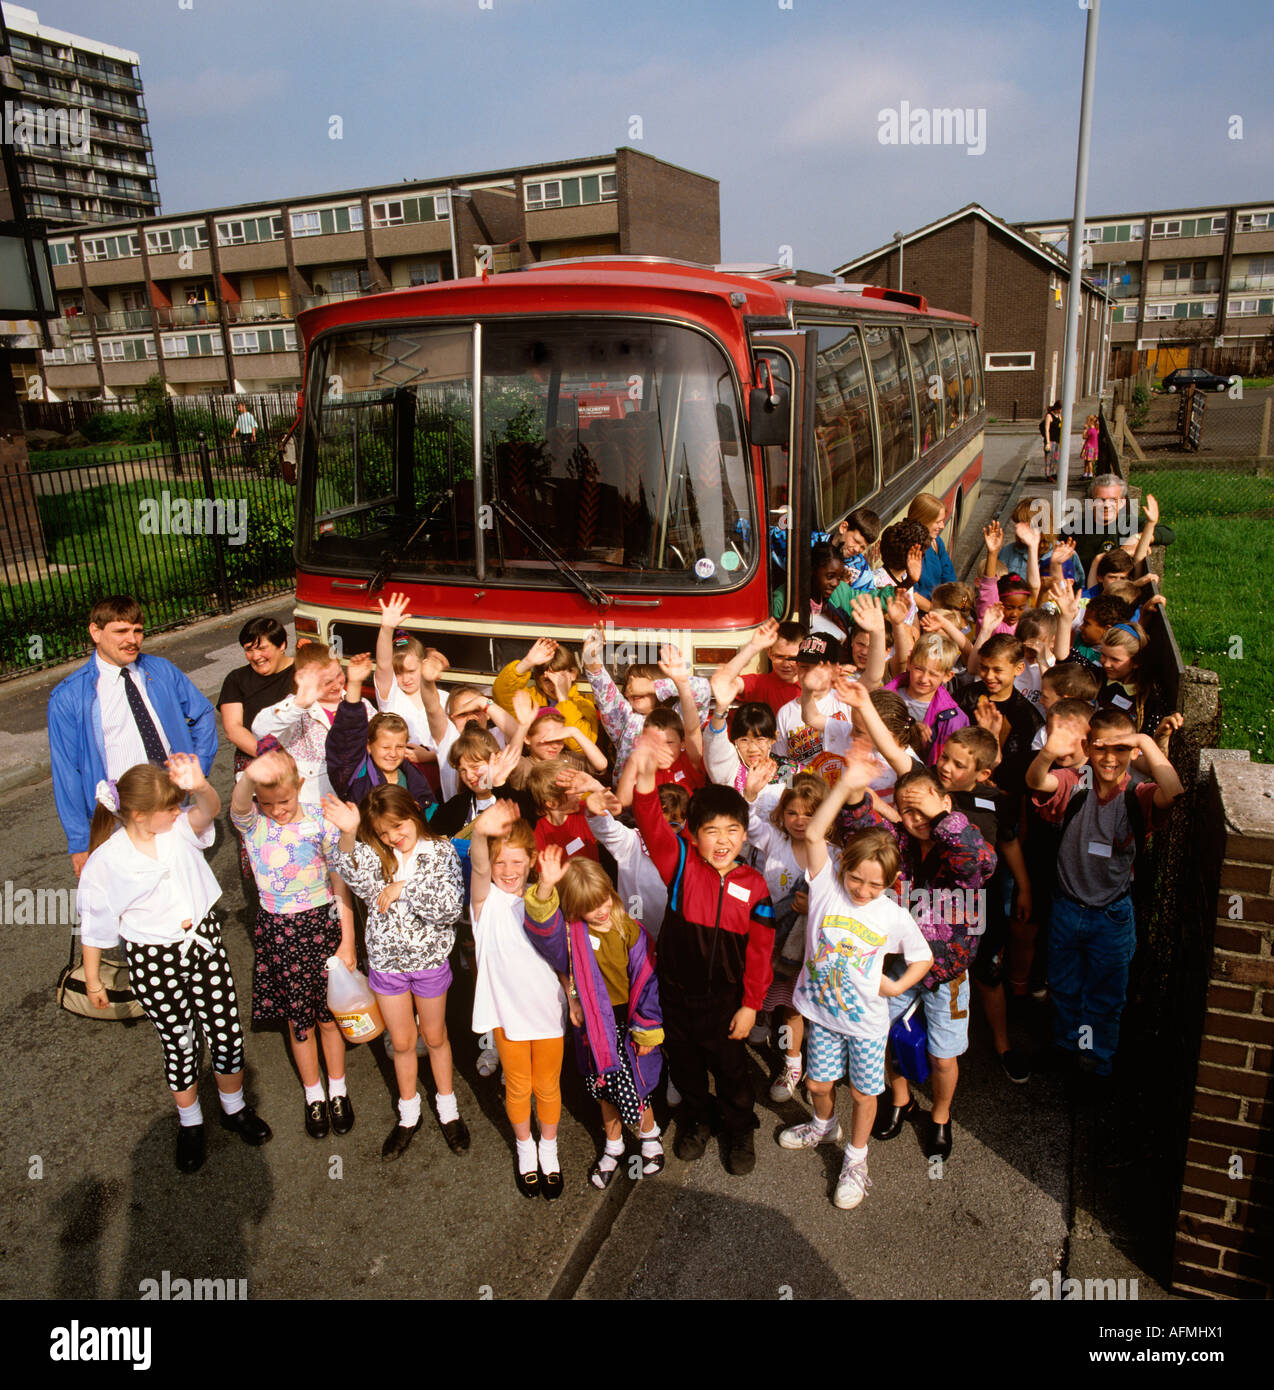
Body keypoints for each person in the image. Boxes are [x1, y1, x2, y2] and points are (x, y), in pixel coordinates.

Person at [77, 757, 271, 1173]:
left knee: (225, 1031)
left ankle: (233, 1109)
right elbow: (94, 925)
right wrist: (93, 978)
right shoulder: (106, 861)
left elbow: (211, 809)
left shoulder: (179, 829)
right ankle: (190, 1123)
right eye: (170, 807)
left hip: (203, 946)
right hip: (152, 961)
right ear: (139, 815)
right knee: (179, 1042)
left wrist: (200, 785)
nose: (178, 811)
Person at [778, 747, 933, 1211]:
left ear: (889, 884)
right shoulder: (824, 882)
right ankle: (824, 1125)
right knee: (819, 1087)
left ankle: (856, 1160)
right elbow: (816, 830)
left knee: (866, 1095)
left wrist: (897, 987)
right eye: (858, 879)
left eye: (876, 885)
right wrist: (847, 785)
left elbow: (921, 957)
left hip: (866, 1024)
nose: (864, 891)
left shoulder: (893, 914)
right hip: (819, 1015)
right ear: (843, 866)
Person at [631, 733, 776, 1175]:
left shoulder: (755, 886)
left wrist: (751, 1006)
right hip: (675, 997)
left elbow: (760, 954)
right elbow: (649, 817)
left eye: (732, 830)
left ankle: (738, 1127)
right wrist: (644, 770)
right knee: (688, 1067)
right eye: (711, 830)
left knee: (732, 1072)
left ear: (744, 833)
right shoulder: (679, 865)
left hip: (726, 1001)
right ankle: (695, 1119)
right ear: (692, 836)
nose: (722, 840)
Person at [839, 766, 997, 1161]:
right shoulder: (899, 843)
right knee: (883, 1036)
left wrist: (941, 818)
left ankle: (940, 1117)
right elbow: (860, 837)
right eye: (907, 812)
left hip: (948, 974)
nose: (917, 820)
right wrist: (857, 795)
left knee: (943, 1055)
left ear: (945, 803)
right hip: (897, 964)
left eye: (924, 809)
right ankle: (901, 1100)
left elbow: (977, 862)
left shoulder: (965, 841)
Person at [1026, 707, 1182, 1078]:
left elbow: (1174, 793)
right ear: (1086, 747)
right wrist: (1048, 752)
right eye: (1100, 749)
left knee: (1104, 998)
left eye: (1121, 750)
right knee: (1064, 988)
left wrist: (1144, 740)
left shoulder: (1139, 795)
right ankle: (1067, 1047)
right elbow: (1036, 782)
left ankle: (1093, 1059)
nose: (1109, 759)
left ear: (1133, 754)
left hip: (1111, 915)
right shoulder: (1072, 782)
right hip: (1067, 907)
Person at [322, 785, 468, 1160]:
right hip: (387, 964)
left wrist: (405, 888)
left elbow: (451, 908)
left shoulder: (441, 851)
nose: (393, 837)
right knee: (402, 1043)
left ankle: (448, 1108)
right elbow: (355, 878)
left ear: (414, 814)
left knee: (435, 1038)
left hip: (429, 963)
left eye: (399, 826)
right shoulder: (375, 854)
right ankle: (409, 1113)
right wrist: (349, 834)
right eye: (384, 833)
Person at [231, 748, 357, 1138]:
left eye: (284, 801)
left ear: (300, 787)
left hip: (324, 927)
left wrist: (348, 941)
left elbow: (342, 879)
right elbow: (237, 806)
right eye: (266, 803)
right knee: (298, 1021)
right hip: (280, 933)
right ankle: (313, 1094)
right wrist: (251, 775)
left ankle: (338, 1088)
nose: (277, 810)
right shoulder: (253, 824)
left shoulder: (321, 821)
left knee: (329, 1015)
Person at [525, 850, 666, 1189]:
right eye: (591, 906)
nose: (602, 910)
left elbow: (647, 982)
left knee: (638, 1089)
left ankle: (649, 1136)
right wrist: (545, 887)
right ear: (573, 909)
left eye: (604, 899)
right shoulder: (570, 937)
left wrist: (647, 1030)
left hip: (627, 1023)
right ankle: (614, 1144)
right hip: (594, 1026)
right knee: (604, 1090)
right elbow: (545, 934)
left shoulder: (630, 930)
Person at [49, 595, 218, 876]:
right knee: (135, 896)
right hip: (120, 817)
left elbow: (201, 715)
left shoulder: (161, 670)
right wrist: (80, 842)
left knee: (184, 885)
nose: (132, 640)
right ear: (95, 632)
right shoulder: (68, 697)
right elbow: (67, 771)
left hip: (173, 804)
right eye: (121, 631)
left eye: (137, 630)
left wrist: (197, 769)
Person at [468, 804, 567, 1198]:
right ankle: (525, 1148)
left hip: (547, 1013)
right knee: (518, 1086)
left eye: (516, 861)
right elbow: (476, 868)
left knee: (548, 1085)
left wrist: (573, 996)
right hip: (506, 1016)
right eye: (499, 862)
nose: (507, 870)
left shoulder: (545, 898)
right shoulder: (485, 903)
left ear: (531, 862)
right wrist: (480, 833)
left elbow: (563, 955)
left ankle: (550, 1147)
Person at [746, 774, 828, 1102]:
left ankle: (800, 1067)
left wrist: (816, 905)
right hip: (771, 942)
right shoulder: (775, 841)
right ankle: (778, 1038)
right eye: (792, 812)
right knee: (780, 1001)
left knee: (800, 1009)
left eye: (809, 813)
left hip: (811, 949)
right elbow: (749, 824)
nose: (799, 821)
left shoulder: (832, 852)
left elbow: (842, 898)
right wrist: (751, 794)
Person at [252, 642, 364, 810]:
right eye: (327, 681)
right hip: (316, 808)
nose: (336, 685)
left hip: (357, 802)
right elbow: (260, 729)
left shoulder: (357, 702)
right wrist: (301, 702)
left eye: (339, 675)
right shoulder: (296, 710)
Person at [326, 654, 437, 810]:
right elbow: (347, 736)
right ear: (369, 746)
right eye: (385, 747)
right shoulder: (356, 774)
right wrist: (355, 684)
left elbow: (430, 816)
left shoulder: (413, 776)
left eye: (399, 747)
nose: (393, 753)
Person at [216, 616, 294, 776]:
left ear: (282, 645)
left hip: (303, 759)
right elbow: (233, 728)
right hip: (256, 761)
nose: (256, 656)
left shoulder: (304, 672)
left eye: (262, 648)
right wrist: (272, 758)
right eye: (249, 649)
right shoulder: (236, 679)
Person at [907, 493, 957, 606]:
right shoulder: (906, 549)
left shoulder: (936, 542)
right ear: (923, 520)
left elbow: (950, 579)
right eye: (938, 522)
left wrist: (962, 606)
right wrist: (938, 612)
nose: (942, 526)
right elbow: (911, 594)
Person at [1081, 414, 1100, 479]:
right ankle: (1085, 473)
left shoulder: (1090, 430)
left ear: (1090, 421)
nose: (1086, 422)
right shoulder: (1096, 430)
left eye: (1087, 421)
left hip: (1089, 447)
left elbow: (1084, 437)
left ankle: (1090, 473)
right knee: (1087, 461)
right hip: (1093, 447)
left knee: (1089, 461)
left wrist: (1085, 429)